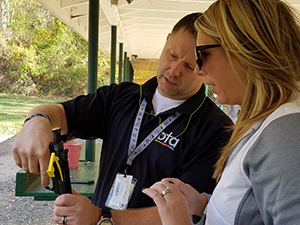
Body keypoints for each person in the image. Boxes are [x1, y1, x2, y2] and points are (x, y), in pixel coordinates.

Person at [12, 12, 233, 225]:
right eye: (172, 55)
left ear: (205, 69)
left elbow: (189, 211)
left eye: (189, 66)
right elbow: (62, 114)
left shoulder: (216, 130)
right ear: (166, 41)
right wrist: (38, 119)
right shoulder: (121, 96)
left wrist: (102, 217)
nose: (174, 71)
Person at [143, 0, 300, 224]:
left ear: (243, 50)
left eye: (203, 54)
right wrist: (204, 205)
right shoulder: (266, 120)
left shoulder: (286, 133)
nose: (198, 68)